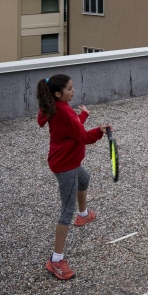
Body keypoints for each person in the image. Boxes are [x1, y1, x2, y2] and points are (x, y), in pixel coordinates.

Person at [37, 74, 111, 280]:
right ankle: (56, 260)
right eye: (70, 89)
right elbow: (84, 136)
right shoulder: (66, 113)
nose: (74, 91)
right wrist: (100, 130)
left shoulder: (53, 107)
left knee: (84, 178)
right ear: (58, 93)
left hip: (65, 160)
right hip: (65, 165)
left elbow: (72, 129)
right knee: (66, 210)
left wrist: (84, 116)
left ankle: (85, 213)